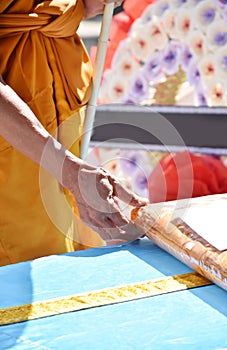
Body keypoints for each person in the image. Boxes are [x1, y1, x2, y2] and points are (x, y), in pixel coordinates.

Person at [0, 0, 147, 266]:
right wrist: (69, 171)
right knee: (28, 276)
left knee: (71, 264)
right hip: (13, 135)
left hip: (62, 92)